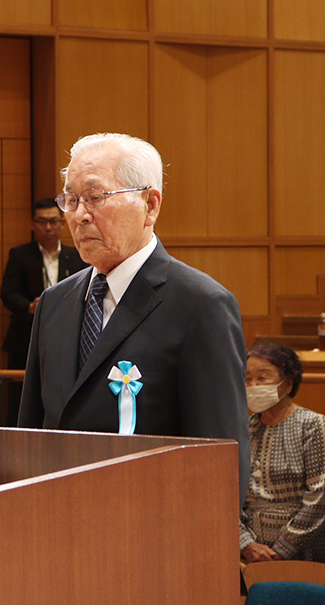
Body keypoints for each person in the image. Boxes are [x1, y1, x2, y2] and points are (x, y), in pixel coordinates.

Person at [17, 132, 250, 504]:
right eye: (72, 199)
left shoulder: (201, 305)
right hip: (55, 525)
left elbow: (221, 459)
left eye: (95, 197)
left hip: (147, 531)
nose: (79, 215)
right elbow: (30, 432)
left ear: (150, 204)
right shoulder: (55, 302)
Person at [0, 198, 87, 425]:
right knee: (20, 399)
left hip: (66, 337)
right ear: (32, 224)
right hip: (25, 337)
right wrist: (30, 307)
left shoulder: (77, 256)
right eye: (42, 222)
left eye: (53, 221)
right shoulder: (20, 255)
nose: (48, 227)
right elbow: (8, 293)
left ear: (62, 223)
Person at [240, 343, 325, 563]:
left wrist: (283, 548)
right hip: (248, 555)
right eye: (248, 379)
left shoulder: (313, 425)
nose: (253, 385)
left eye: (262, 378)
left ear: (287, 384)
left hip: (303, 551)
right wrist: (246, 543)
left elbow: (320, 494)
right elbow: (228, 493)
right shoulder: (242, 429)